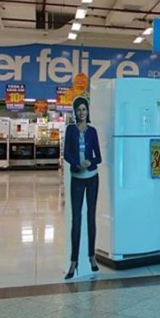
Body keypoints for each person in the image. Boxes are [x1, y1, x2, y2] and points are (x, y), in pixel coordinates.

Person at [63, 96, 102, 280]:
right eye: (78, 109)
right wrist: (77, 164)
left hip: (92, 178)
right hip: (77, 178)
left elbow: (98, 156)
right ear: (75, 111)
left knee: (91, 217)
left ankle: (92, 256)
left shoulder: (92, 131)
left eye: (84, 109)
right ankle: (73, 261)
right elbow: (66, 153)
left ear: (88, 111)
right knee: (76, 219)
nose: (81, 112)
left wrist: (90, 162)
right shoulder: (70, 130)